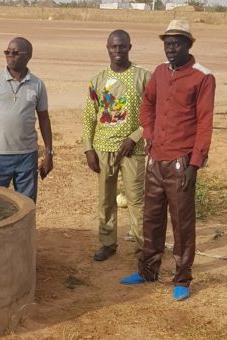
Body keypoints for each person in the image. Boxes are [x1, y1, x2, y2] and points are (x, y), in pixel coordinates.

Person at [120, 20, 215, 301]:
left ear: (189, 45)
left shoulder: (202, 77)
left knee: (182, 224)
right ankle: (147, 270)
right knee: (152, 219)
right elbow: (147, 104)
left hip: (181, 162)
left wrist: (195, 164)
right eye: (167, 43)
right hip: (155, 158)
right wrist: (148, 134)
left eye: (177, 43)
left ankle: (182, 278)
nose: (171, 49)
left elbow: (205, 123)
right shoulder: (160, 73)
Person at [82, 30, 151, 261]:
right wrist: (88, 149)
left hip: (134, 149)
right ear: (107, 48)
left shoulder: (144, 77)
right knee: (105, 199)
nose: (118, 51)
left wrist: (135, 137)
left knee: (136, 200)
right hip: (103, 148)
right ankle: (107, 243)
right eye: (114, 47)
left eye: (122, 47)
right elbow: (89, 117)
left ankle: (143, 247)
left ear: (130, 47)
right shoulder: (97, 80)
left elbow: (155, 113)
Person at [0, 37, 53, 203]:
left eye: (15, 52)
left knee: (26, 206)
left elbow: (44, 119)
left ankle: (23, 231)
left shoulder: (37, 85)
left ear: (28, 56)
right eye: (7, 52)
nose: (10, 55)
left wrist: (49, 153)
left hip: (27, 156)